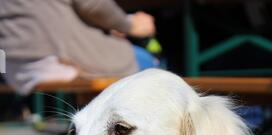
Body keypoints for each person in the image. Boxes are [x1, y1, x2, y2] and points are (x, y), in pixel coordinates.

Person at [0, 0, 157, 94]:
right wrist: (129, 24)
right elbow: (94, 5)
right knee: (147, 62)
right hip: (61, 60)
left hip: (13, 68)